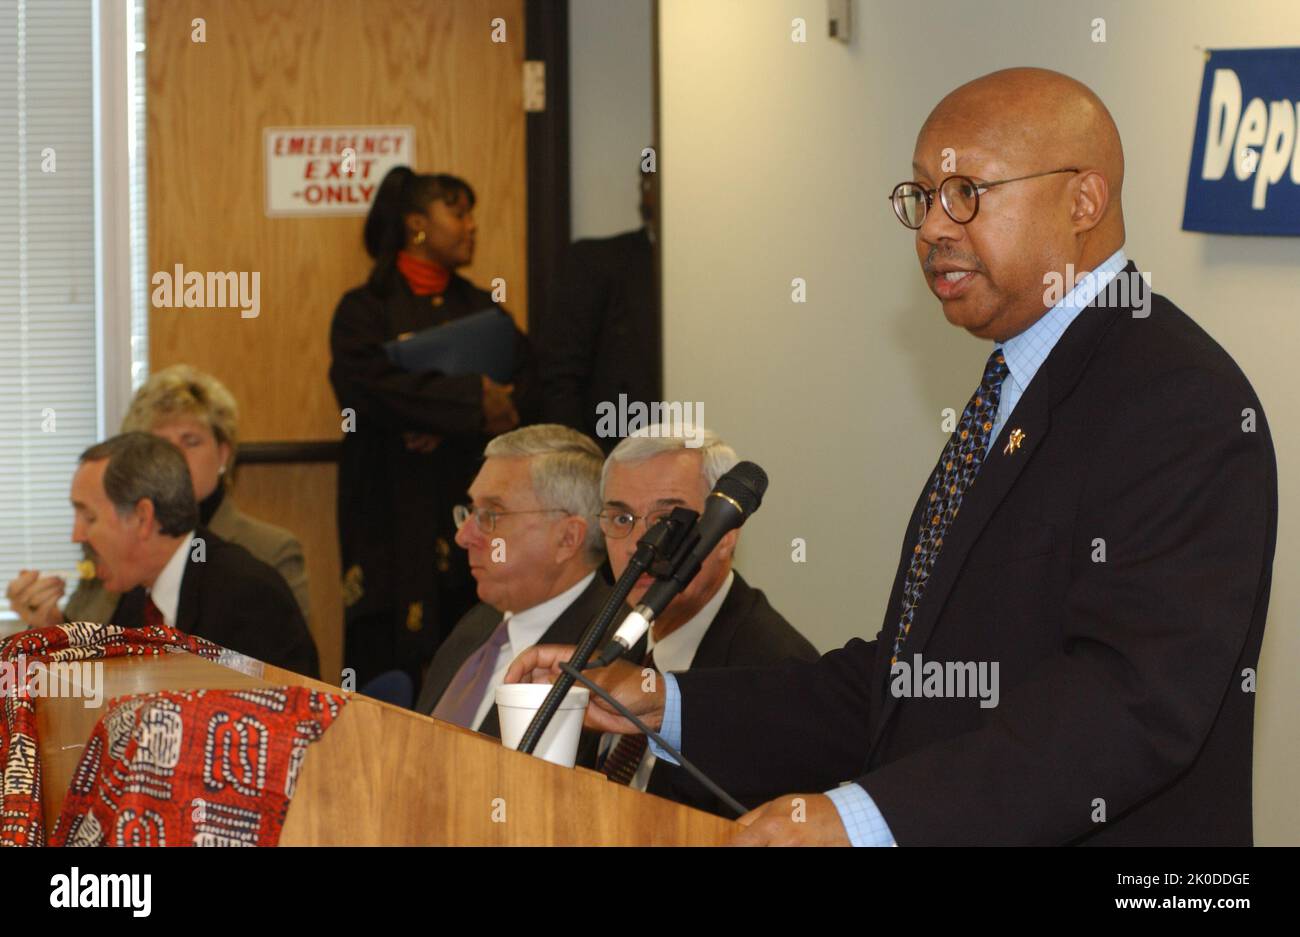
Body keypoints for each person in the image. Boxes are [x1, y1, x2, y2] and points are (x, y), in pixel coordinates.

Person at [507, 68, 1278, 845]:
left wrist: (865, 819)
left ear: (1084, 200)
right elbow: (908, 680)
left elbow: (1130, 705)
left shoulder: (1176, 397)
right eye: (922, 197)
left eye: (968, 193)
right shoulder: (1016, 379)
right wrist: (662, 701)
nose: (934, 227)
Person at [330, 166, 540, 693]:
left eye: (473, 214)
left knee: (467, 656)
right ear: (418, 224)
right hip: (388, 513)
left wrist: (442, 424)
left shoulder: (481, 310)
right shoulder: (363, 309)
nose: (471, 226)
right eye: (459, 212)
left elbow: (528, 386)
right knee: (386, 663)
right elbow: (366, 388)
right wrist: (468, 405)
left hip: (462, 509)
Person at [586, 425, 818, 815]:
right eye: (621, 518)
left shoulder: (776, 670)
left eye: (668, 519)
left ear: (726, 533)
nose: (639, 544)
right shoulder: (610, 637)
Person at [6, 364, 309, 628]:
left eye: (190, 441)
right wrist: (51, 626)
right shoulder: (117, 545)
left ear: (223, 454)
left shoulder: (265, 555)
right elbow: (105, 656)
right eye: (159, 445)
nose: (174, 456)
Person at [415, 425, 610, 768]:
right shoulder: (478, 624)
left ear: (567, 538)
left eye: (491, 515)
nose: (463, 536)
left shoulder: (610, 653)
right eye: (470, 511)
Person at [70, 433, 319, 676]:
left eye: (89, 517)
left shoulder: (249, 596)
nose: (77, 535)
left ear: (142, 517)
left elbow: (288, 711)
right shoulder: (134, 597)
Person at [536, 167, 660, 450]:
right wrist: (578, 461)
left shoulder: (719, 271)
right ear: (646, 189)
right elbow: (559, 378)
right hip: (612, 457)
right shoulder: (595, 263)